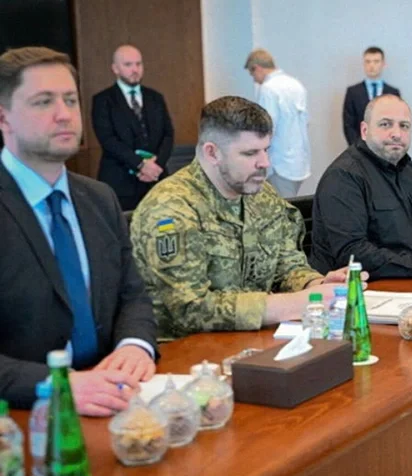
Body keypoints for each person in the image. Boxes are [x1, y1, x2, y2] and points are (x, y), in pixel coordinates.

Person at [0, 47, 157, 412]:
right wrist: (57, 385)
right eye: (43, 102)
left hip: (115, 400)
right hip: (25, 418)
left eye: (70, 100)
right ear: (3, 118)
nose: (64, 114)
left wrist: (135, 345)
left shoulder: (99, 198)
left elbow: (132, 295)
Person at [131, 96, 351, 341]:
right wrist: (291, 304)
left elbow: (285, 265)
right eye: (250, 153)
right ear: (212, 153)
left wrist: (315, 286)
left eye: (266, 150)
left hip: (252, 340)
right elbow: (189, 310)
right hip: (184, 351)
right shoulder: (172, 208)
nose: (265, 163)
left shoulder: (261, 195)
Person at [311, 94, 412, 279]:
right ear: (364, 130)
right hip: (363, 287)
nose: (396, 134)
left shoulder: (411, 170)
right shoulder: (343, 176)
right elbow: (352, 253)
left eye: (404, 126)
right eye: (385, 124)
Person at [92, 45, 175, 210]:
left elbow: (168, 134)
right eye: (128, 65)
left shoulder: (155, 98)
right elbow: (107, 140)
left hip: (156, 179)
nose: (135, 69)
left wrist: (156, 165)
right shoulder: (103, 100)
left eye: (138, 64)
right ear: (115, 68)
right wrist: (141, 165)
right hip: (120, 181)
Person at [244, 49, 310, 198]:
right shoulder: (295, 84)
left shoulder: (268, 89)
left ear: (257, 68)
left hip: (279, 164)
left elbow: (265, 127)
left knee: (280, 207)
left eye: (252, 74)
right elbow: (306, 122)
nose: (255, 80)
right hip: (299, 162)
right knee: (290, 202)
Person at [342, 47, 401, 146]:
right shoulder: (353, 92)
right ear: (363, 64)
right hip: (359, 147)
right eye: (368, 61)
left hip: (387, 147)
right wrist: (357, 148)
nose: (372, 65)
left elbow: (397, 122)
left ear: (383, 64)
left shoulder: (393, 93)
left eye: (376, 61)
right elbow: (348, 125)